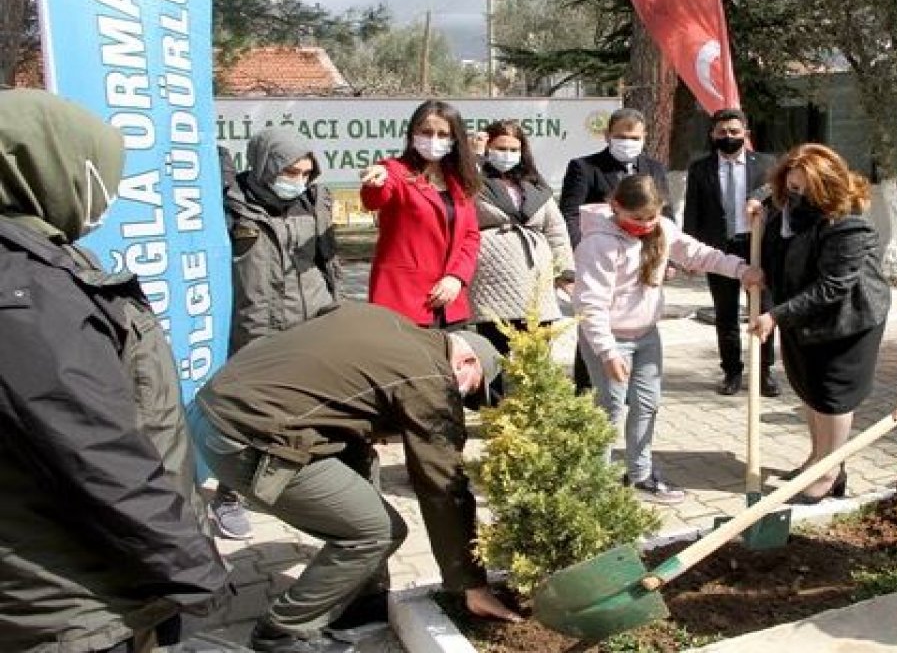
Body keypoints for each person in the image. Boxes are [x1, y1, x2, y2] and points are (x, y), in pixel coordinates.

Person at [0, 89, 227, 651]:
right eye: (98, 173)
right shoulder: (24, 291)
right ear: (48, 165)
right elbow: (92, 448)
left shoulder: (34, 266)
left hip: (87, 571)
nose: (105, 195)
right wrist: (191, 568)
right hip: (73, 594)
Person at [189, 302, 521, 653]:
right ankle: (283, 630)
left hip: (212, 406)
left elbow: (325, 320)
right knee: (378, 531)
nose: (463, 399)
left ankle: (360, 600)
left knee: (364, 462)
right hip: (244, 438)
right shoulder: (429, 378)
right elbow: (442, 485)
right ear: (466, 362)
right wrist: (471, 583)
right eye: (471, 389)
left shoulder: (387, 320)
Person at [573, 174, 763, 504]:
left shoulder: (661, 229)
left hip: (646, 335)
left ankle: (640, 474)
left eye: (652, 216)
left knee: (647, 405)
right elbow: (591, 304)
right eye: (637, 218)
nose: (646, 225)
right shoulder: (598, 243)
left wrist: (741, 269)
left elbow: (697, 254)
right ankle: (595, 483)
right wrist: (607, 352)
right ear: (615, 206)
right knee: (610, 409)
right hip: (608, 339)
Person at [210, 127, 344, 541]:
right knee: (246, 416)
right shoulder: (233, 204)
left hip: (311, 324)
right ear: (265, 164)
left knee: (312, 411)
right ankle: (228, 496)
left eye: (306, 172)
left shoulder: (315, 200)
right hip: (257, 326)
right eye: (290, 171)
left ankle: (300, 489)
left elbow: (329, 261)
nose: (298, 180)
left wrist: (335, 311)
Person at [745, 144, 891, 504]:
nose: (797, 196)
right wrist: (758, 207)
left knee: (832, 397)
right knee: (809, 390)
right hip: (801, 316)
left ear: (826, 187)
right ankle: (817, 458)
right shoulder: (789, 209)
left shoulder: (847, 223)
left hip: (846, 321)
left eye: (805, 189)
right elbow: (767, 199)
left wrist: (775, 315)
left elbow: (834, 286)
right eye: (792, 187)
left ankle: (830, 471)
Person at [559, 107, 673, 392]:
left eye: (634, 137)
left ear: (645, 137)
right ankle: (587, 389)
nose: (627, 142)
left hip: (644, 264)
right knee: (594, 323)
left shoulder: (655, 169)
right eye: (621, 136)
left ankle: (631, 388)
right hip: (603, 262)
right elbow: (571, 213)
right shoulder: (584, 167)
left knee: (637, 326)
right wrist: (580, 253)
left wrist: (667, 257)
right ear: (608, 135)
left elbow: (665, 216)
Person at [682, 108, 781, 397]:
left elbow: (775, 191)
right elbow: (693, 212)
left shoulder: (765, 163)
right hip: (720, 251)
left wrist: (758, 198)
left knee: (763, 310)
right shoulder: (700, 168)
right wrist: (690, 253)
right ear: (713, 134)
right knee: (725, 314)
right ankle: (732, 372)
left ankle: (763, 373)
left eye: (734, 132)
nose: (729, 137)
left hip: (757, 249)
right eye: (722, 132)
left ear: (746, 134)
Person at [361, 100, 482, 328]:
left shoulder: (459, 180)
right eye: (426, 132)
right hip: (403, 301)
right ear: (413, 133)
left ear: (454, 139)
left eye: (442, 134)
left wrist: (456, 278)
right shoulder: (395, 170)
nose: (434, 139)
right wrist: (375, 181)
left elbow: (471, 236)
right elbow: (374, 199)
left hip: (449, 302)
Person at [470, 119, 575, 357]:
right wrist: (474, 159)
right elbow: (462, 199)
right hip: (492, 281)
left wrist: (566, 272)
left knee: (537, 358)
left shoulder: (535, 185)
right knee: (495, 356)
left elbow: (556, 230)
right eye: (500, 148)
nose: (507, 154)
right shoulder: (474, 180)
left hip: (536, 281)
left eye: (513, 149)